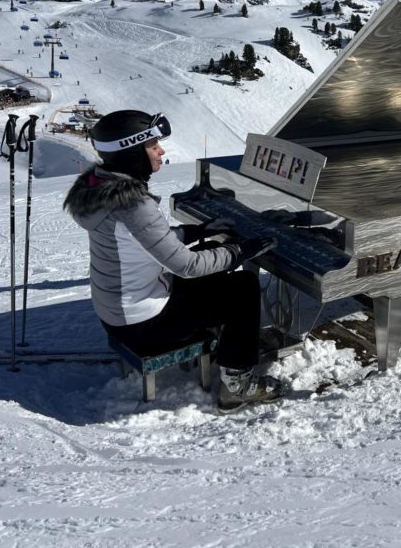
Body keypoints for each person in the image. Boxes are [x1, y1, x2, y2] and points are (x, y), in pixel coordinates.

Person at [63, 109, 282, 413]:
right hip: (143, 324)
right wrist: (240, 251)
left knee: (215, 270)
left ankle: (233, 341)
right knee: (242, 286)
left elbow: (145, 239)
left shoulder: (99, 188)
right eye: (153, 146)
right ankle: (237, 385)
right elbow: (187, 266)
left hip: (117, 313)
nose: (161, 151)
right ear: (132, 153)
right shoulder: (132, 204)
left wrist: (196, 231)